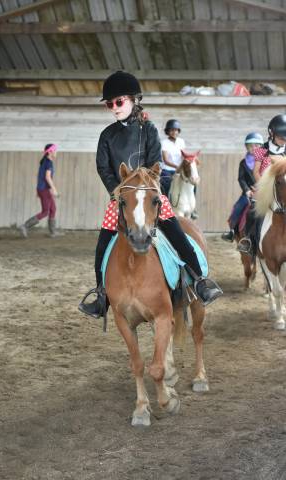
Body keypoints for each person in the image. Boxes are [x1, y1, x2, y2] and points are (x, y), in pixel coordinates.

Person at [78, 71, 222, 319]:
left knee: (178, 235)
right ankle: (102, 294)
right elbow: (103, 168)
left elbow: (155, 163)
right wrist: (118, 192)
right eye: (109, 104)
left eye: (118, 102)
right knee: (102, 245)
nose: (114, 108)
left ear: (134, 100)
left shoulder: (150, 131)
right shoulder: (107, 136)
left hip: (151, 195)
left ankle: (200, 280)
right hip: (120, 199)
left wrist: (147, 190)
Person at [237, 115, 286, 255]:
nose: (284, 141)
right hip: (265, 189)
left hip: (283, 188)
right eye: (281, 137)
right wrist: (264, 187)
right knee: (253, 210)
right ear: (271, 133)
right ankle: (249, 240)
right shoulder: (261, 150)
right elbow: (256, 172)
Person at [221, 132, 263, 242]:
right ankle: (232, 232)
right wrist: (247, 190)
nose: (253, 148)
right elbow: (241, 179)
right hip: (248, 193)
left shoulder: (265, 161)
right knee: (237, 208)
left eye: (256, 145)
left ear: (261, 147)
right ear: (247, 147)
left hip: (264, 192)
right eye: (251, 145)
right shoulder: (243, 163)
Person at [19, 143, 61, 238]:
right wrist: (54, 189)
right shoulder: (48, 163)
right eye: (55, 150)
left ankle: (53, 232)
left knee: (52, 209)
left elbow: (40, 176)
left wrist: (38, 190)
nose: (56, 152)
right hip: (44, 190)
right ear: (50, 152)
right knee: (46, 211)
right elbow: (47, 177)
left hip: (42, 189)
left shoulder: (45, 161)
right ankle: (25, 226)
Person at [160, 119, 185, 198]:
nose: (174, 132)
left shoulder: (181, 142)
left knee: (191, 180)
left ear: (178, 131)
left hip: (179, 169)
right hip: (167, 170)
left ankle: (191, 206)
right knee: (167, 183)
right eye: (172, 130)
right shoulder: (164, 143)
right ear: (167, 131)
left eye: (176, 130)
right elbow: (166, 160)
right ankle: (166, 202)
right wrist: (177, 167)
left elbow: (183, 155)